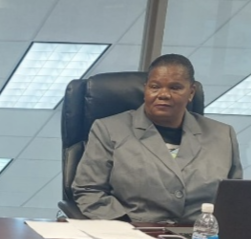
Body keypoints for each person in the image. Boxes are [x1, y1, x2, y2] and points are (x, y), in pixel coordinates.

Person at [72, 54, 243, 223]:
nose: (164, 94)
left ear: (191, 93)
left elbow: (235, 198)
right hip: (133, 233)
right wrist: (126, 228)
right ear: (145, 89)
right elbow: (89, 190)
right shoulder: (109, 130)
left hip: (201, 235)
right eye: (155, 87)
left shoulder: (222, 135)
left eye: (175, 88)